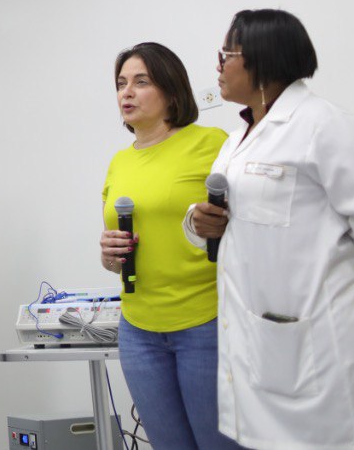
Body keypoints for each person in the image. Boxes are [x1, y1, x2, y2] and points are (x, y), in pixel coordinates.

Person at [187, 10, 354, 449]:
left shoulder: (324, 125)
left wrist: (348, 284)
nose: (217, 65)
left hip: (318, 338)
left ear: (262, 58)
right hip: (263, 340)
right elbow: (237, 222)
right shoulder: (237, 140)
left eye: (226, 54)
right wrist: (198, 222)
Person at [99, 42, 237, 449]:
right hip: (138, 329)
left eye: (141, 82)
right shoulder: (119, 162)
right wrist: (109, 255)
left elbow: (246, 224)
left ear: (171, 91)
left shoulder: (211, 143)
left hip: (205, 321)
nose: (127, 92)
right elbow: (116, 251)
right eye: (121, 83)